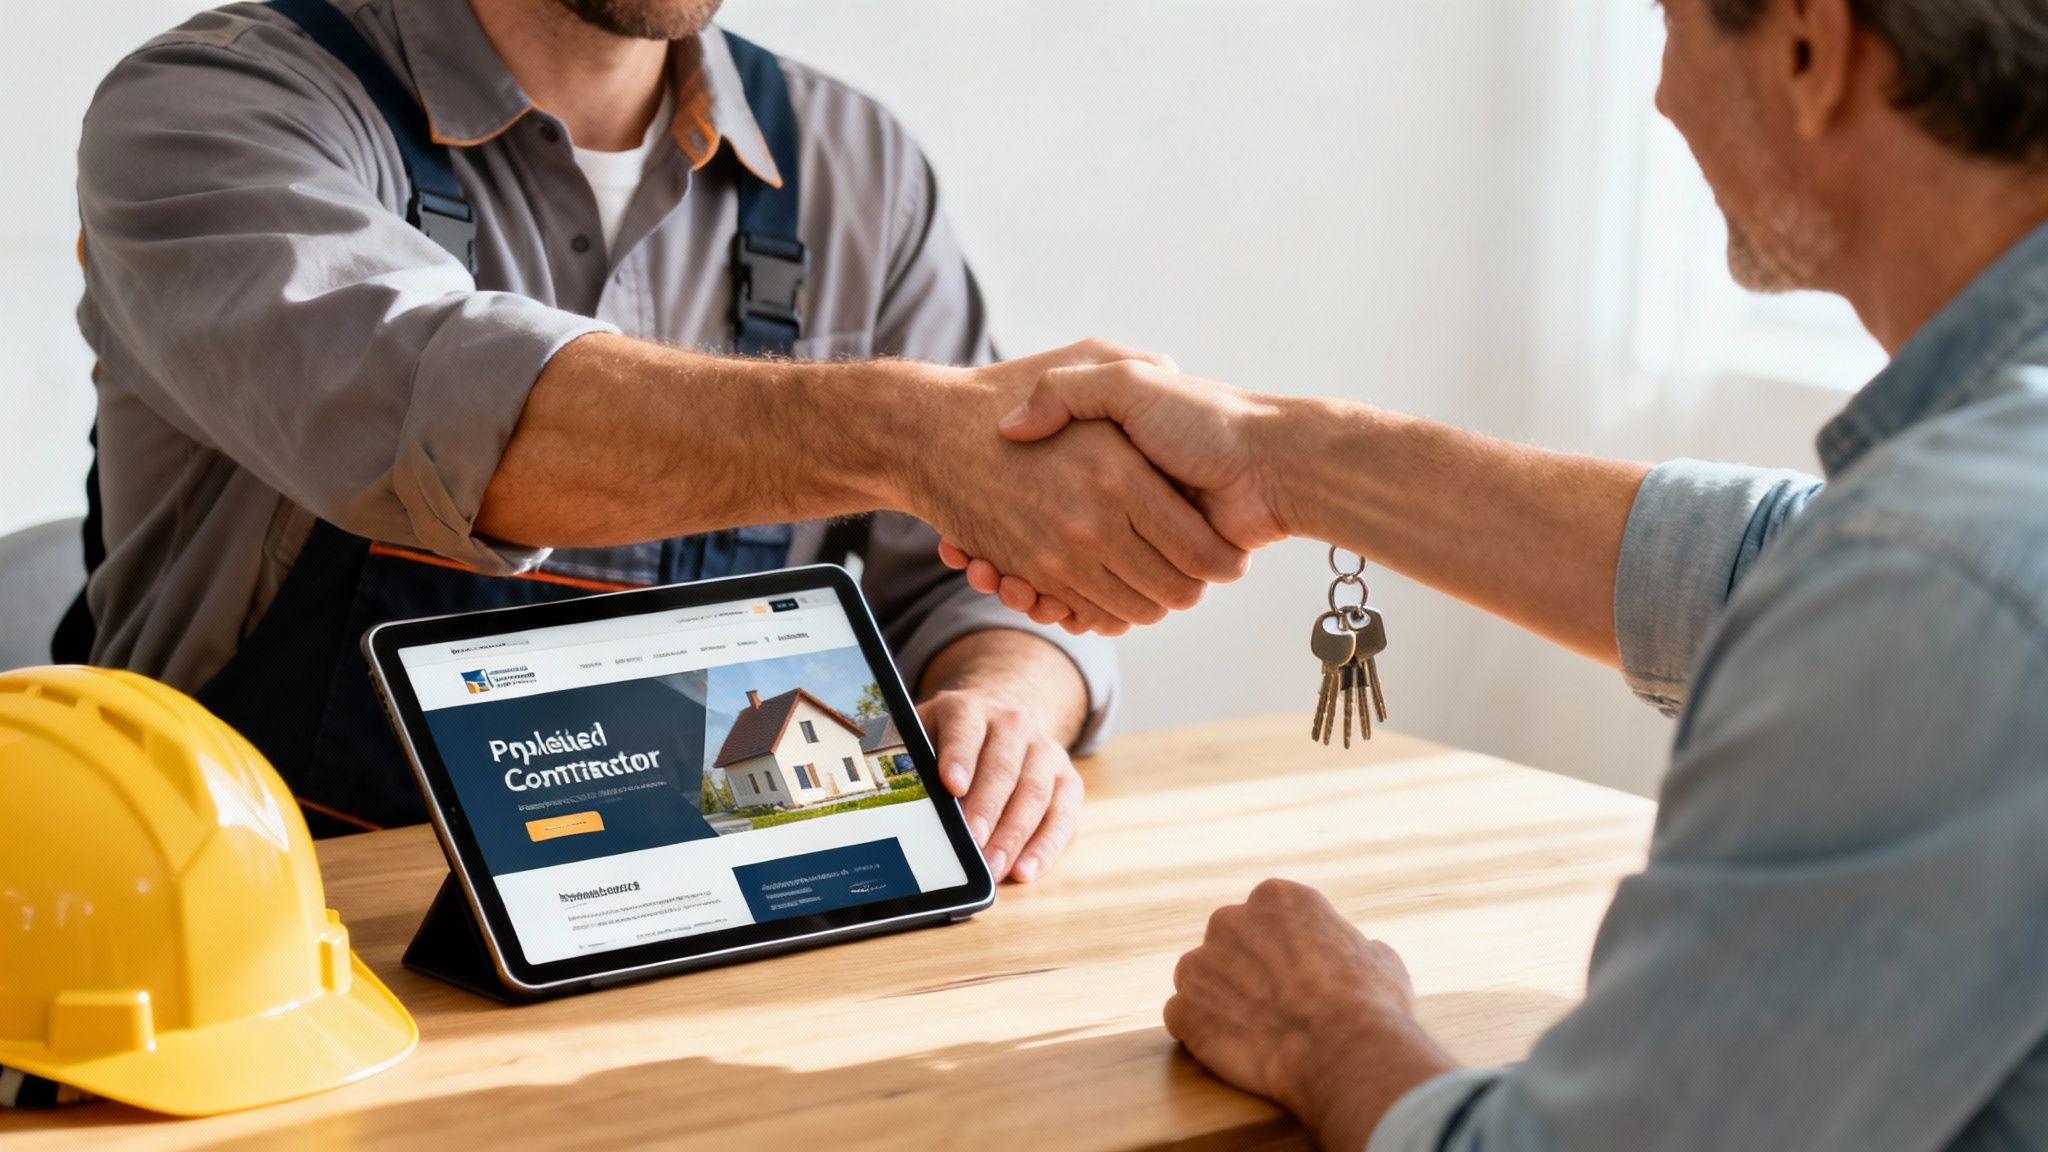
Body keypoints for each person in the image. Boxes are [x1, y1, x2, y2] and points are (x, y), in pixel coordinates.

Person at [942, 0, 2048, 1145]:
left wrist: (1324, 1030)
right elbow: (1779, 560)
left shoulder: (1938, 578)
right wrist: (1280, 460)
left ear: (1809, 49)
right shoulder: (1957, 521)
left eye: (1667, 23)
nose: (1660, 98)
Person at [64, 0, 1248, 881]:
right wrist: (911, 430)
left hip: (708, 939)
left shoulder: (858, 170)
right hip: (260, 956)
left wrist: (999, 705)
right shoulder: (210, 113)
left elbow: (968, 583)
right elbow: (464, 428)